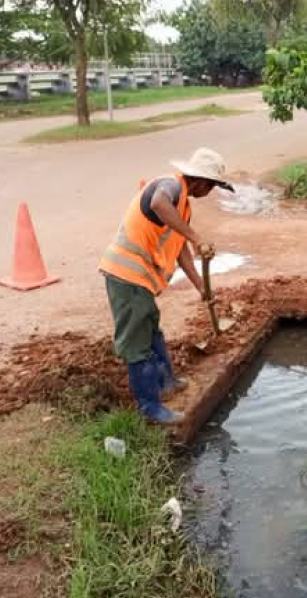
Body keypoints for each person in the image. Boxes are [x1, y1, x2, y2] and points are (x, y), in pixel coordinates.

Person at [98, 148, 233, 424]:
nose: (211, 192)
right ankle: (149, 408)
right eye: (213, 187)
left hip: (141, 281)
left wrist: (200, 287)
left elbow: (179, 247)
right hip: (126, 276)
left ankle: (166, 383)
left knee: (152, 330)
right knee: (137, 343)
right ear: (201, 182)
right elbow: (159, 204)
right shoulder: (170, 186)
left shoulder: (183, 204)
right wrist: (197, 238)